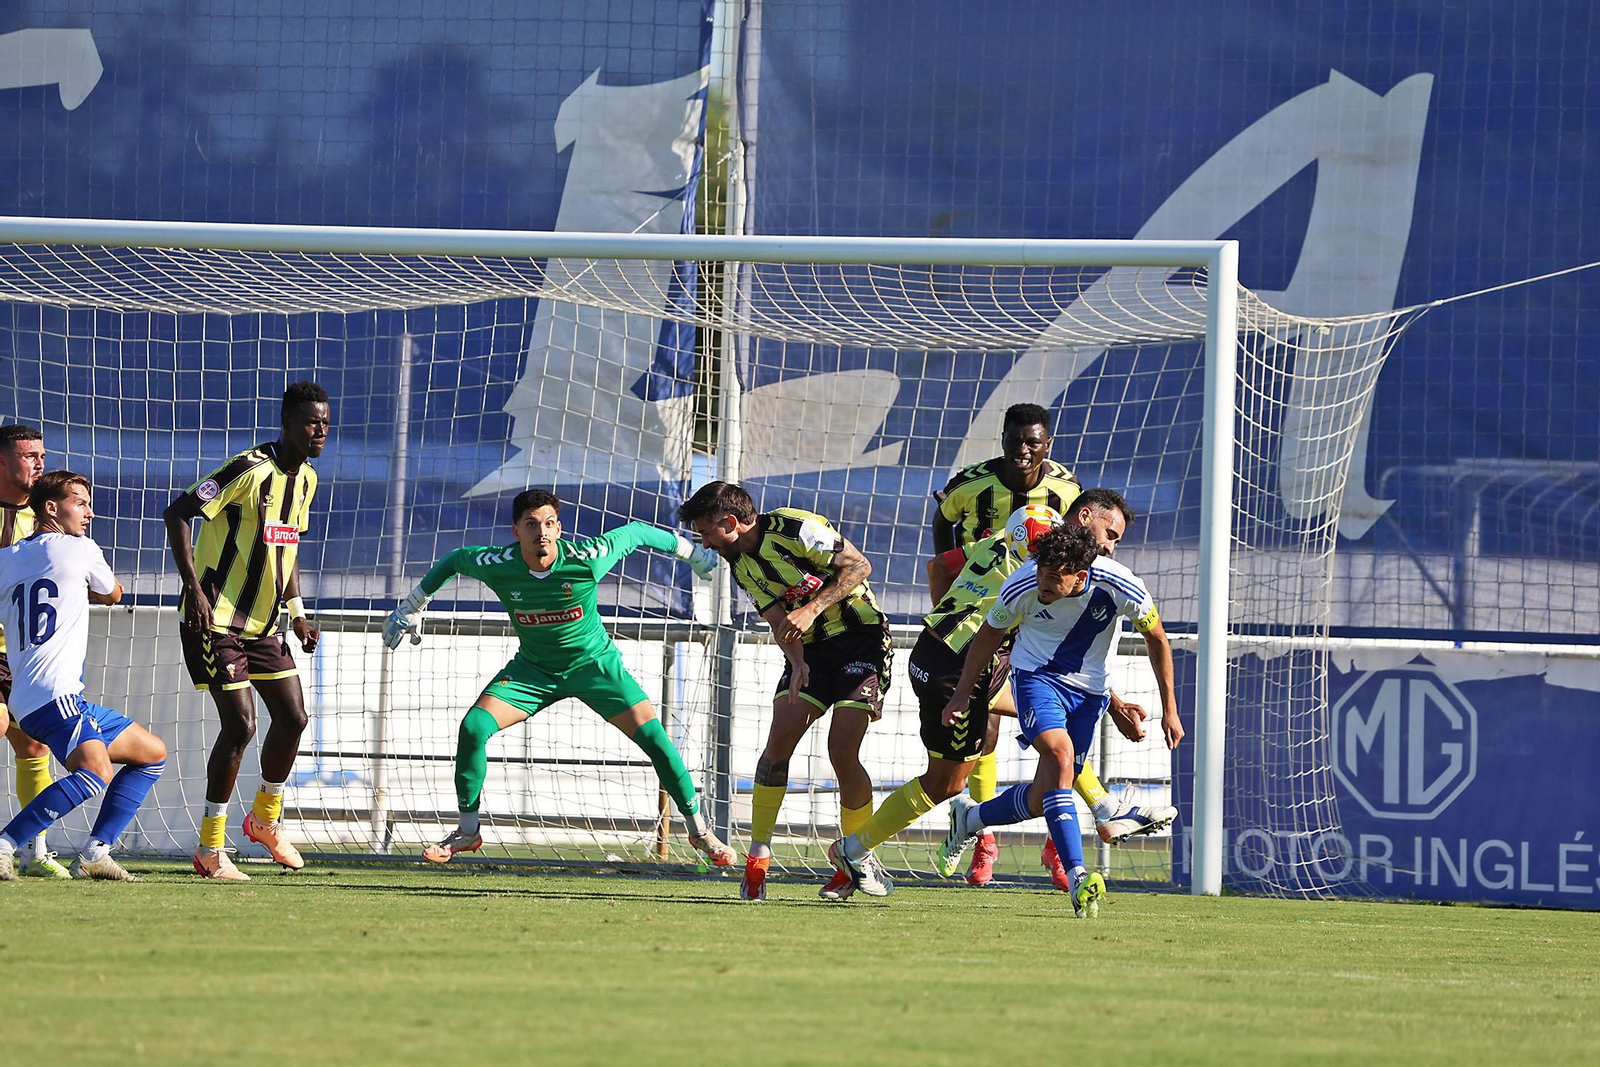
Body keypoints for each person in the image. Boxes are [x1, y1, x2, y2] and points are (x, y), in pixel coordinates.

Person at [827, 490, 1173, 898]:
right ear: (1082, 520)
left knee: (1053, 744)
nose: (1111, 546)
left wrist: (1110, 702)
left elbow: (941, 565)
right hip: (961, 665)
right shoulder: (1053, 565)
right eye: (1109, 534)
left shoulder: (1009, 537)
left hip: (939, 648)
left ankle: (1101, 808)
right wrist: (961, 686)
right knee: (946, 784)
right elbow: (1033, 635)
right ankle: (853, 849)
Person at [384, 488, 736, 870]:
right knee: (473, 727)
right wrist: (411, 606)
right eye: (532, 524)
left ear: (559, 528)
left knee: (656, 740)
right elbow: (454, 560)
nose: (542, 532)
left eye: (549, 523)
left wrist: (693, 554)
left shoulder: (586, 558)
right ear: (516, 531)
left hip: (595, 667)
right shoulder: (497, 562)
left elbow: (636, 532)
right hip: (534, 671)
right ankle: (468, 831)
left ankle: (700, 831)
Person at [937, 524, 1183, 917]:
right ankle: (1080, 874)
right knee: (1061, 756)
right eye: (1040, 572)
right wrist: (963, 693)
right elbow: (987, 635)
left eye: (1054, 578)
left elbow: (1157, 638)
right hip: (1036, 678)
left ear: (1081, 576)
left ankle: (972, 816)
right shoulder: (1021, 586)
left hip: (1091, 694)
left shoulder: (1123, 586)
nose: (1043, 584)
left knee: (1044, 794)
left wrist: (1169, 708)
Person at [678, 481, 892, 902]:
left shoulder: (797, 528)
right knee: (778, 745)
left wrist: (812, 608)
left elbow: (859, 567)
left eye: (705, 532)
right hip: (811, 653)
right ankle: (758, 859)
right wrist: (796, 662)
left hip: (861, 638)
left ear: (731, 522)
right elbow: (779, 619)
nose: (704, 542)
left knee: (841, 750)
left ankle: (856, 856)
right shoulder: (739, 564)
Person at [164, 381, 329, 881]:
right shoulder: (248, 469)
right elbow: (177, 512)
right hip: (214, 620)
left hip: (265, 626)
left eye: (324, 422)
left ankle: (263, 819)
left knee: (294, 718)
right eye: (309, 422)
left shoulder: (308, 480)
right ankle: (210, 848)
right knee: (240, 725)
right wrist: (192, 587)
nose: (319, 431)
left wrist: (297, 611)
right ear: (287, 423)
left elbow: (287, 548)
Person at [933, 402, 1081, 884]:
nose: (1022, 450)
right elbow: (942, 522)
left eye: (1032, 442)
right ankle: (983, 838)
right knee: (987, 728)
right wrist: (957, 580)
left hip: (1040, 613)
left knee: (1064, 725)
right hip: (988, 611)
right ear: (1002, 438)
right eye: (1015, 440)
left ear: (1047, 444)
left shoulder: (1065, 489)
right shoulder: (970, 483)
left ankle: (1056, 845)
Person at [0, 471, 167, 881]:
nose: (89, 512)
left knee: (151, 753)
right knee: (95, 772)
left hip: (29, 693)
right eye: (81, 502)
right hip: (54, 693)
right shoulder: (80, 548)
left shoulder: (4, 560)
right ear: (51, 508)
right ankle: (5, 844)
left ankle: (95, 853)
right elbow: (113, 593)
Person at [0, 424, 71, 877]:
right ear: (2, 462)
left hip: (25, 657)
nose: (39, 462)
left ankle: (33, 851)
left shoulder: (48, 521)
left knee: (34, 747)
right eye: (28, 455)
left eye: (41, 454)